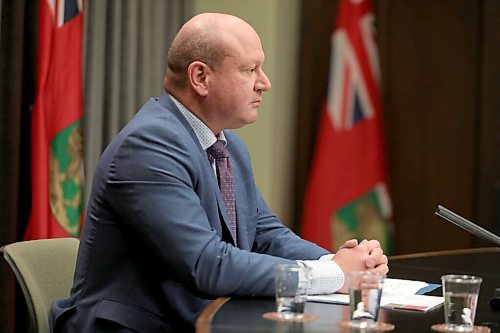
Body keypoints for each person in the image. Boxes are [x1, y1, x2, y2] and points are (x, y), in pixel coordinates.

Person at [49, 12, 388, 333]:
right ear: (200, 77)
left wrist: (342, 261)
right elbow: (206, 264)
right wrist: (332, 274)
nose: (264, 84)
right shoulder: (148, 146)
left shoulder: (227, 147)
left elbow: (265, 235)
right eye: (250, 70)